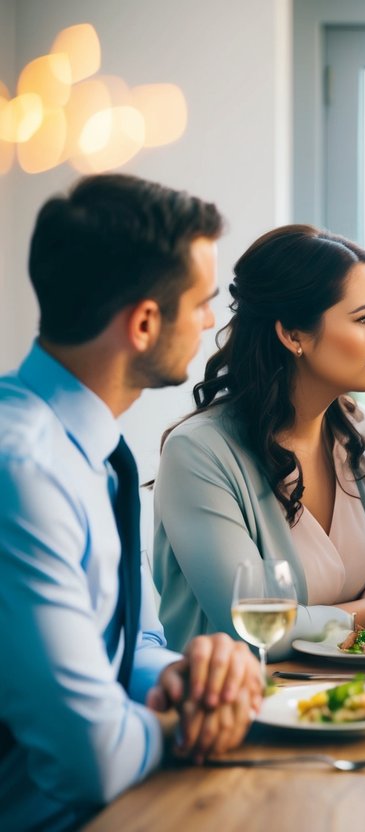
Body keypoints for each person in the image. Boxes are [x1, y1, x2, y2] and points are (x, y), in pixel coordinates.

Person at [0, 174, 262, 831]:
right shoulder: (22, 473)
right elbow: (96, 761)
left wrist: (186, 681)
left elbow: (140, 640)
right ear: (145, 323)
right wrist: (195, 719)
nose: (209, 322)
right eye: (202, 303)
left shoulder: (95, 453)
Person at [153, 225, 365, 658]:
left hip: (359, 699)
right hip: (239, 713)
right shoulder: (199, 453)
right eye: (364, 318)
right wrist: (362, 617)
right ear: (293, 335)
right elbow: (252, 632)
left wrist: (321, 623)